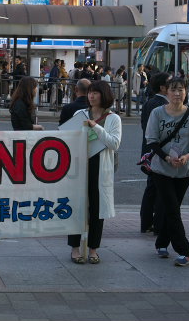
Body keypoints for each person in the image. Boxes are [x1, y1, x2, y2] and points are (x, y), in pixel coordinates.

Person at [145, 77, 189, 267]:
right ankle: (185, 252)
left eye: (181, 90)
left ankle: (162, 242)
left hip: (184, 170)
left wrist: (187, 156)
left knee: (172, 208)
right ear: (166, 92)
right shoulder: (157, 113)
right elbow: (152, 140)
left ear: (186, 92)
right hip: (161, 168)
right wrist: (166, 157)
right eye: (173, 90)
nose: (177, 93)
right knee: (171, 208)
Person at [67, 80, 121, 265]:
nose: (91, 95)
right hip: (80, 165)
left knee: (97, 210)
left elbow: (114, 143)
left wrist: (95, 127)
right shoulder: (79, 114)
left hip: (100, 167)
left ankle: (93, 250)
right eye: (90, 92)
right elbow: (69, 138)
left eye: (96, 93)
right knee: (77, 207)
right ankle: (75, 249)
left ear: (104, 95)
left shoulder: (113, 118)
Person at [139, 72, 170, 234]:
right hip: (157, 152)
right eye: (171, 85)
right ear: (163, 87)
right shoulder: (160, 105)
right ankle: (156, 223)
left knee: (152, 188)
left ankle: (146, 222)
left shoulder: (151, 102)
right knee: (158, 189)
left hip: (149, 151)